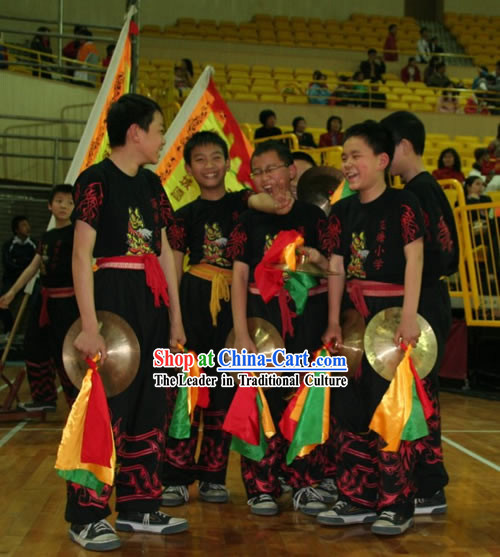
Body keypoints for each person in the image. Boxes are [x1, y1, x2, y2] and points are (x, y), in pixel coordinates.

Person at [66, 93, 188, 551]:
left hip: (154, 302)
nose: (162, 139)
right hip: (112, 302)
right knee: (106, 410)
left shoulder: (153, 185)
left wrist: (176, 320)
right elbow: (81, 256)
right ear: (135, 132)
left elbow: (165, 255)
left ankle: (139, 505)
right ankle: (86, 514)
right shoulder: (96, 180)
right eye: (158, 129)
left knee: (151, 408)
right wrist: (89, 325)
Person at [162, 131, 290, 507]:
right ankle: (175, 477)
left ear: (229, 163)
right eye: (199, 160)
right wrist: (176, 321)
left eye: (216, 157)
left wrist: (278, 192)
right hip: (194, 303)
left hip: (235, 308)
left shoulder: (241, 204)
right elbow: (173, 269)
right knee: (185, 394)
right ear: (188, 169)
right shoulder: (183, 216)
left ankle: (214, 476)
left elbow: (270, 203)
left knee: (225, 393)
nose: (209, 166)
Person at [316, 120, 425, 536]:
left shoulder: (404, 204)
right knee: (348, 409)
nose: (347, 164)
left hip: (393, 316)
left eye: (355, 156)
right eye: (343, 157)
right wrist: (331, 321)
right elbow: (337, 269)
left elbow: (415, 261)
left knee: (390, 412)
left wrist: (410, 316)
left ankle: (397, 502)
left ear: (382, 160)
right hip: (352, 318)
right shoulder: (342, 211)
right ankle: (356, 496)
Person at [226, 140, 331, 517]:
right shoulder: (246, 218)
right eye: (258, 172)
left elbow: (329, 270)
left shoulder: (314, 217)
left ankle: (303, 481)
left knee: (303, 397)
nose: (265, 178)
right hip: (260, 315)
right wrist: (240, 333)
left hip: (305, 316)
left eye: (272, 169)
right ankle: (260, 486)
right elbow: (238, 278)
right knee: (259, 398)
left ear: (291, 171)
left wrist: (312, 263)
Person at [381, 110, 460, 518]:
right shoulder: (424, 189)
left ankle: (429, 485)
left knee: (421, 398)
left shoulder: (419, 192)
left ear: (404, 146)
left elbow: (444, 255)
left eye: (385, 148)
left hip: (425, 305)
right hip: (428, 301)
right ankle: (426, 483)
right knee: (419, 396)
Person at [0, 185, 79, 411]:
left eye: (70, 202)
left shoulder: (78, 234)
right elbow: (32, 268)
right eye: (59, 201)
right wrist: (12, 292)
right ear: (49, 205)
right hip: (44, 302)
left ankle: (78, 403)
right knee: (34, 346)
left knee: (67, 352)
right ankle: (44, 398)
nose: (64, 206)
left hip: (69, 303)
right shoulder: (45, 237)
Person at [1, 216, 37, 334]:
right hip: (11, 280)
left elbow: (35, 264)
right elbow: (8, 264)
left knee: (36, 303)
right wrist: (23, 271)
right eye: (23, 225)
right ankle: (9, 330)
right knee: (3, 301)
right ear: (16, 229)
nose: (28, 228)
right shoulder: (9, 245)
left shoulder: (34, 245)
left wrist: (27, 274)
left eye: (28, 224)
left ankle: (29, 334)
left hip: (30, 281)